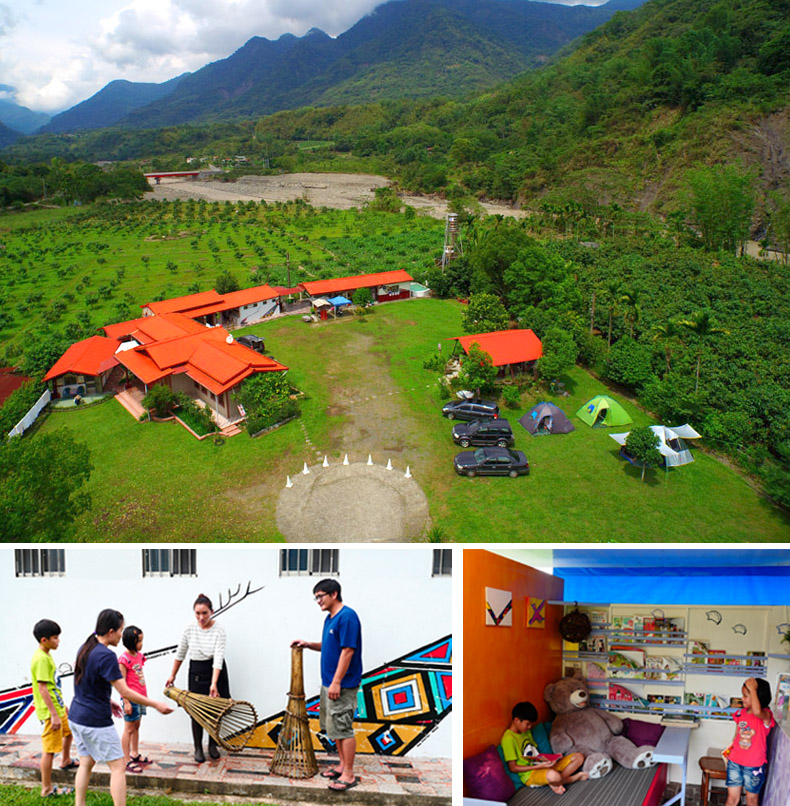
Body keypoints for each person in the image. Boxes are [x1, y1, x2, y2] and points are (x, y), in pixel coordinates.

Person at [69, 609, 172, 806]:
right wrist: (156, 704)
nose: (121, 635)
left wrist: (107, 701)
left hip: (77, 717)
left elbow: (85, 682)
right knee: (118, 767)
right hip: (95, 721)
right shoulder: (106, 655)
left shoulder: (85, 646)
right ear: (110, 631)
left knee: (86, 762)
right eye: (120, 631)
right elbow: (125, 690)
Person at [292, 578, 362, 792]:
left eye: (320, 596)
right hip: (330, 683)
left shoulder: (347, 617)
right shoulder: (330, 619)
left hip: (342, 684)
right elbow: (330, 645)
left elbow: (348, 650)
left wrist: (337, 682)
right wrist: (308, 644)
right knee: (334, 728)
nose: (318, 601)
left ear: (334, 594)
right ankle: (342, 765)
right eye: (316, 597)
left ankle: (349, 774)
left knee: (343, 727)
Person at [165, 593, 229, 763]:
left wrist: (214, 683)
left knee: (215, 710)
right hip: (196, 671)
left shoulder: (220, 630)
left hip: (216, 670)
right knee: (196, 711)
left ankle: (213, 745)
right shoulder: (189, 628)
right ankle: (198, 747)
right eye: (198, 613)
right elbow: (181, 652)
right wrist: (172, 675)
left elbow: (218, 657)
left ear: (212, 612)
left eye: (205, 613)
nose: (201, 617)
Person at [500, 701, 588, 795]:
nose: (529, 727)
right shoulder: (508, 738)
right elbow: (513, 768)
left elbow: (536, 755)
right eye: (527, 724)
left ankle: (556, 782)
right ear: (516, 720)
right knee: (554, 776)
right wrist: (539, 766)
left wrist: (551, 758)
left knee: (579, 757)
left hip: (542, 766)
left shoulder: (525, 732)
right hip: (530, 774)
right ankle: (571, 779)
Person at [31, 618, 76, 798]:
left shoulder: (47, 654)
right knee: (49, 751)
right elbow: (42, 688)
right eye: (55, 638)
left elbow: (51, 686)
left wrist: (62, 707)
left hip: (57, 707)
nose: (58, 641)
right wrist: (54, 715)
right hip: (51, 713)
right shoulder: (41, 659)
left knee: (69, 731)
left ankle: (65, 760)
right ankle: (46, 788)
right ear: (44, 640)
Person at [723, 677, 775, 806]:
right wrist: (729, 752)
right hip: (735, 763)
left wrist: (753, 688)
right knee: (732, 799)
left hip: (754, 767)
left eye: (746, 696)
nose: (742, 698)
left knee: (751, 801)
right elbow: (736, 737)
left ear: (758, 697)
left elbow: (757, 711)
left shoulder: (766, 715)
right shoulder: (740, 713)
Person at [119, 625, 150, 773]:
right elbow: (121, 683)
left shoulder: (139, 655)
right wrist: (126, 702)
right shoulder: (123, 660)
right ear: (131, 642)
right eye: (139, 641)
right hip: (130, 699)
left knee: (136, 726)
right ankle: (125, 759)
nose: (141, 644)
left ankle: (135, 753)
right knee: (128, 729)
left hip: (141, 698)